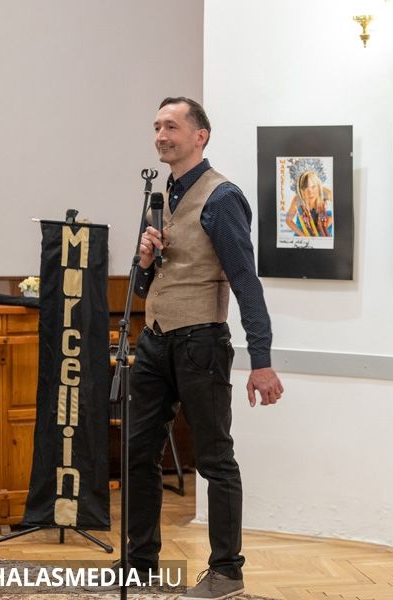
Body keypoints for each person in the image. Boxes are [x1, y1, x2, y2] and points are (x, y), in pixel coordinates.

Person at [122, 97, 283, 600]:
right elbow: (146, 288)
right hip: (154, 341)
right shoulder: (160, 198)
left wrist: (262, 361)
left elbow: (246, 282)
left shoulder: (222, 197)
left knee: (215, 460)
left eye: (171, 126)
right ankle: (139, 565)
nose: (160, 135)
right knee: (137, 453)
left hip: (201, 344)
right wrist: (144, 262)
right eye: (156, 126)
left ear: (200, 136)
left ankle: (226, 572)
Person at [285, 170, 333, 237]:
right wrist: (303, 236)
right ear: (301, 190)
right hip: (304, 230)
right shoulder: (297, 199)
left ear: (318, 186)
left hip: (323, 229)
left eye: (313, 187)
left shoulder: (325, 193)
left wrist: (331, 219)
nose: (310, 192)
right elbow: (288, 220)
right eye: (306, 188)